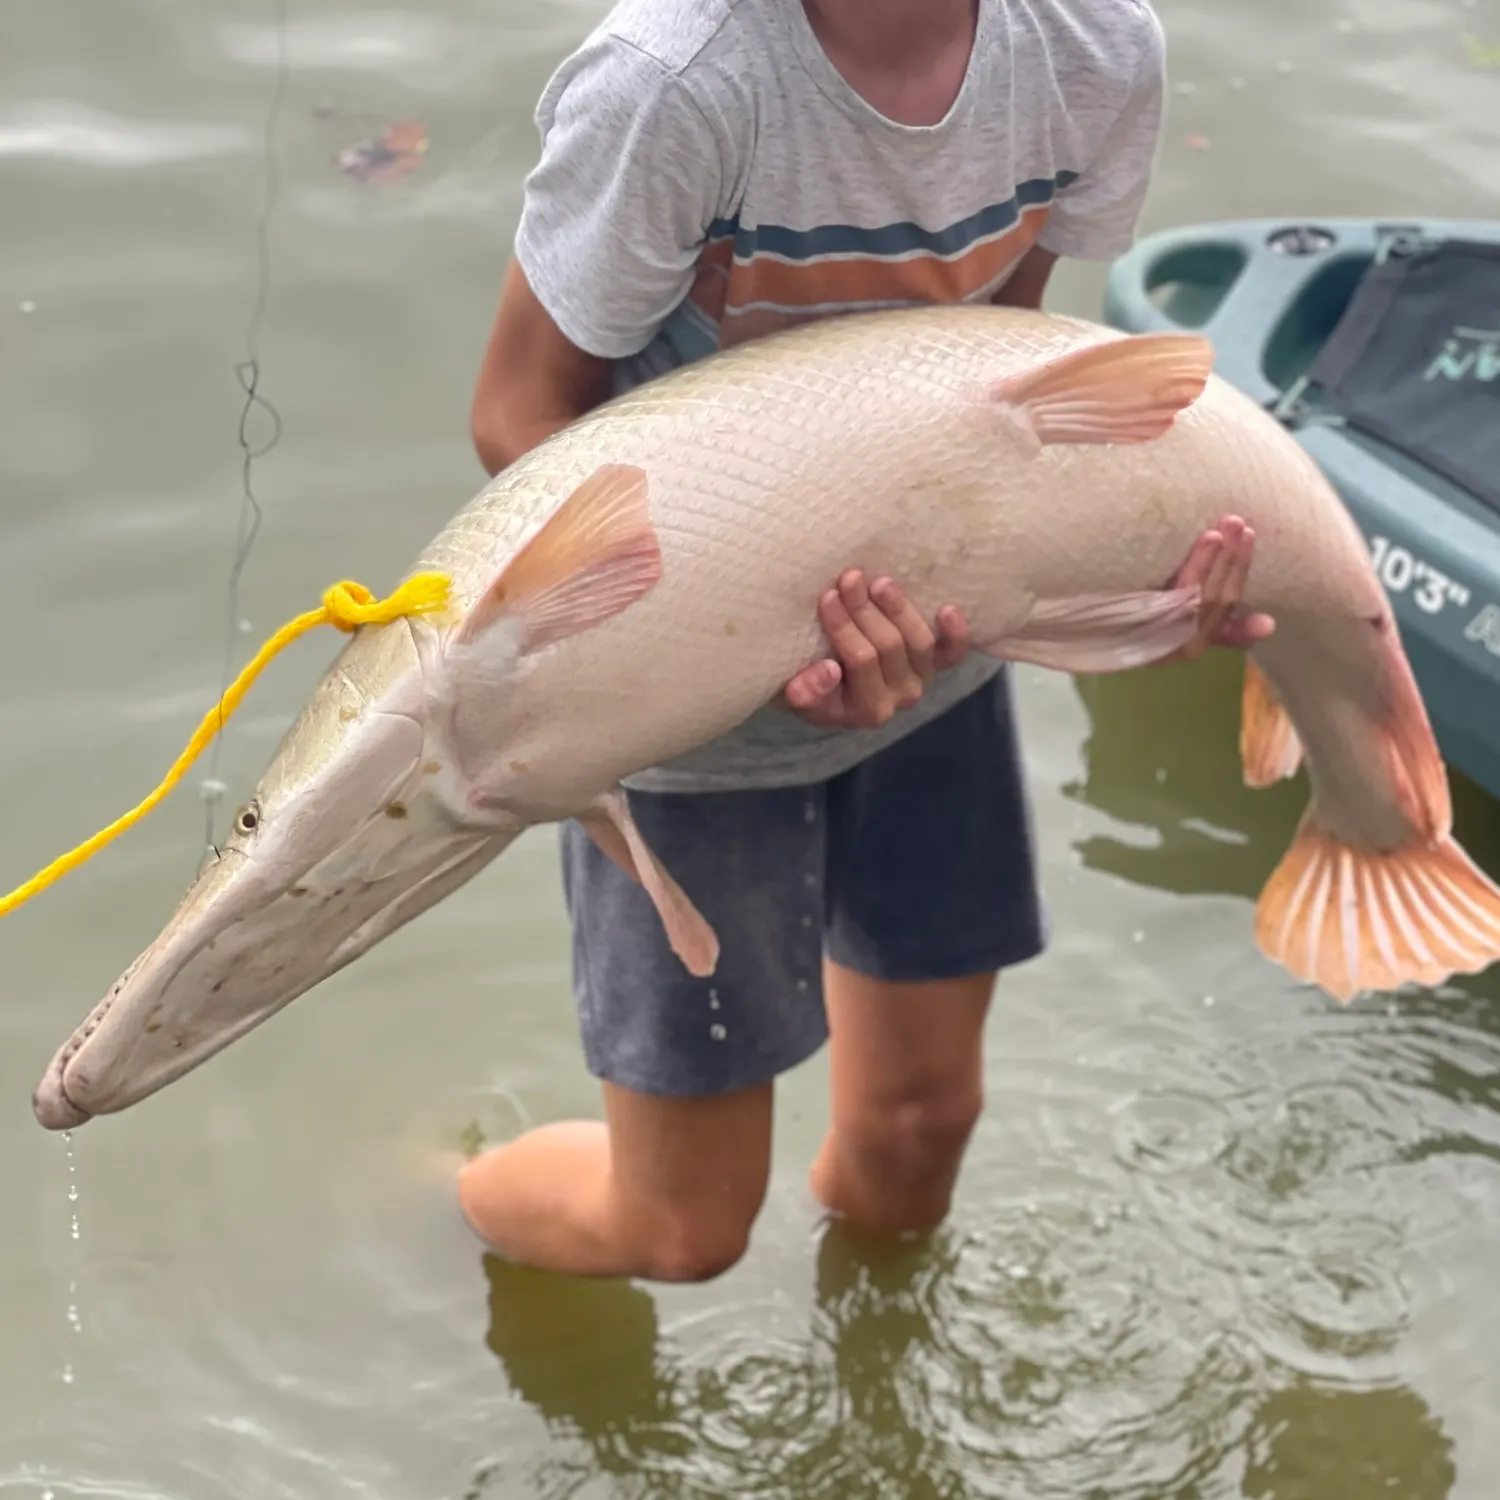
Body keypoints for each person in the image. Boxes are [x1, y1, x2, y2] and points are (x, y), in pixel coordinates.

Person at [458, 0, 1273, 1282]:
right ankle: (455, 1202)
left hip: (936, 667)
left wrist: (1132, 602)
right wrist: (768, 636)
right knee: (680, 1230)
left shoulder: (1094, 50)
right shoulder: (673, 84)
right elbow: (520, 416)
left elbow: (1001, 381)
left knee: (916, 1140)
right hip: (692, 714)